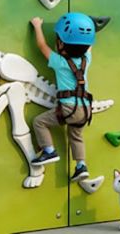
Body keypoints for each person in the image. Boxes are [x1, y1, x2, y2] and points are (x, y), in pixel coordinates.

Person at [29, 12, 96, 182]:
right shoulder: (86, 60)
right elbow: (88, 45)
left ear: (61, 44)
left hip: (68, 108)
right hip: (86, 109)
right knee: (76, 136)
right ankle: (81, 166)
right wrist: (89, 27)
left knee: (39, 122)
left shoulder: (59, 62)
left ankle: (49, 151)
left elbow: (42, 45)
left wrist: (37, 26)